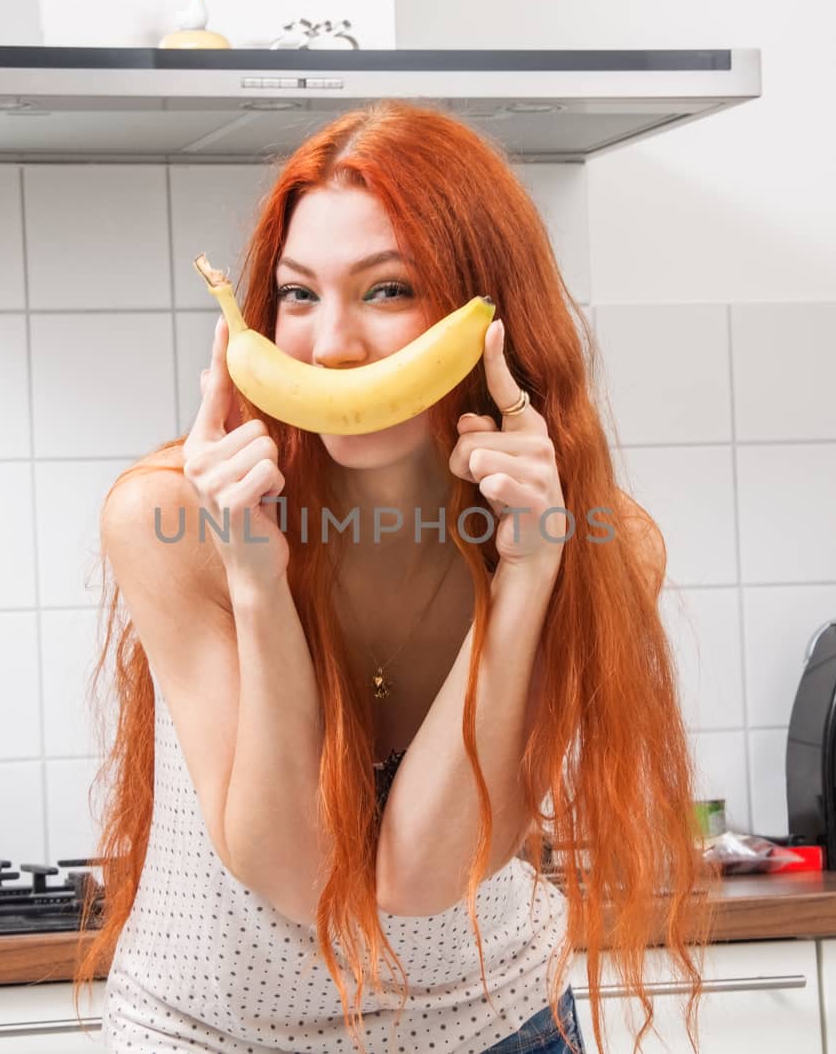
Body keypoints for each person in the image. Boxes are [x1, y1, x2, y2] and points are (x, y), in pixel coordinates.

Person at [74, 100, 711, 1053]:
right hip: (211, 1035)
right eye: (297, 294)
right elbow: (292, 866)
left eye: (387, 290)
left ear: (488, 316)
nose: (330, 345)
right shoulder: (172, 524)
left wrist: (527, 573)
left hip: (492, 1027)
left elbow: (421, 875)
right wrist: (257, 577)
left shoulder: (601, 551)